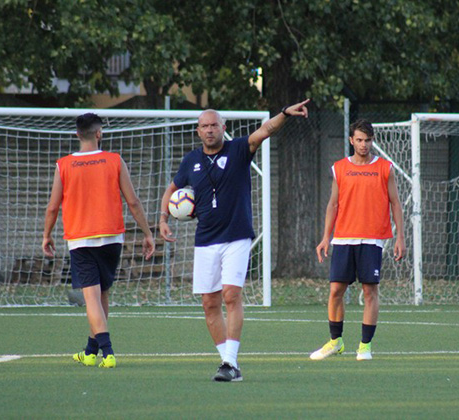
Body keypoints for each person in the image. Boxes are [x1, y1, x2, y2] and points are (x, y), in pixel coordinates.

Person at [159, 99, 310, 382]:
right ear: (198, 131)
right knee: (209, 303)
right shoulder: (191, 160)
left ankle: (230, 361)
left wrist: (284, 113)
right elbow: (172, 189)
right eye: (204, 126)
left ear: (223, 128)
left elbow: (265, 131)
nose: (209, 130)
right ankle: (228, 363)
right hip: (205, 240)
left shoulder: (239, 149)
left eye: (214, 125)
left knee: (231, 294)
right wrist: (163, 220)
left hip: (237, 236)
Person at [42, 113, 155, 369]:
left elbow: (52, 207)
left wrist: (46, 235)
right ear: (99, 133)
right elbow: (134, 201)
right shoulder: (114, 160)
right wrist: (147, 233)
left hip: (81, 239)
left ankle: (108, 351)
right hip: (112, 237)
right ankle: (91, 351)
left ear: (77, 135)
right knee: (102, 293)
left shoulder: (64, 165)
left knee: (91, 297)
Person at [311, 119, 406, 361]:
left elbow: (395, 203)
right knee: (335, 290)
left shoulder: (385, 168)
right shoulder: (340, 168)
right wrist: (325, 237)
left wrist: (400, 238)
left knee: (369, 291)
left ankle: (365, 346)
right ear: (351, 140)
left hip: (373, 238)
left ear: (373, 141)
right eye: (360, 140)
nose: (364, 145)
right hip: (343, 238)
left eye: (368, 140)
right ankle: (335, 342)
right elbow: (333, 204)